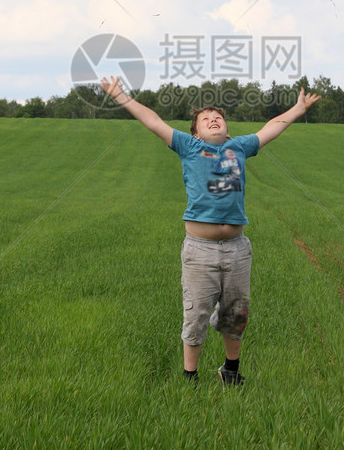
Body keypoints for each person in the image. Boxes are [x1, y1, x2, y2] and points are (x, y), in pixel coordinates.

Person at [100, 76, 321, 386]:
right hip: (199, 250)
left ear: (227, 128)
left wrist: (297, 109)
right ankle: (190, 377)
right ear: (195, 132)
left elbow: (272, 127)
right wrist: (121, 96)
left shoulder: (239, 147)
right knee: (196, 313)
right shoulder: (189, 147)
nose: (214, 120)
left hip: (237, 248)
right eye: (206, 119)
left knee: (235, 314)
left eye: (218, 117)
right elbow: (152, 121)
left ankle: (230, 371)